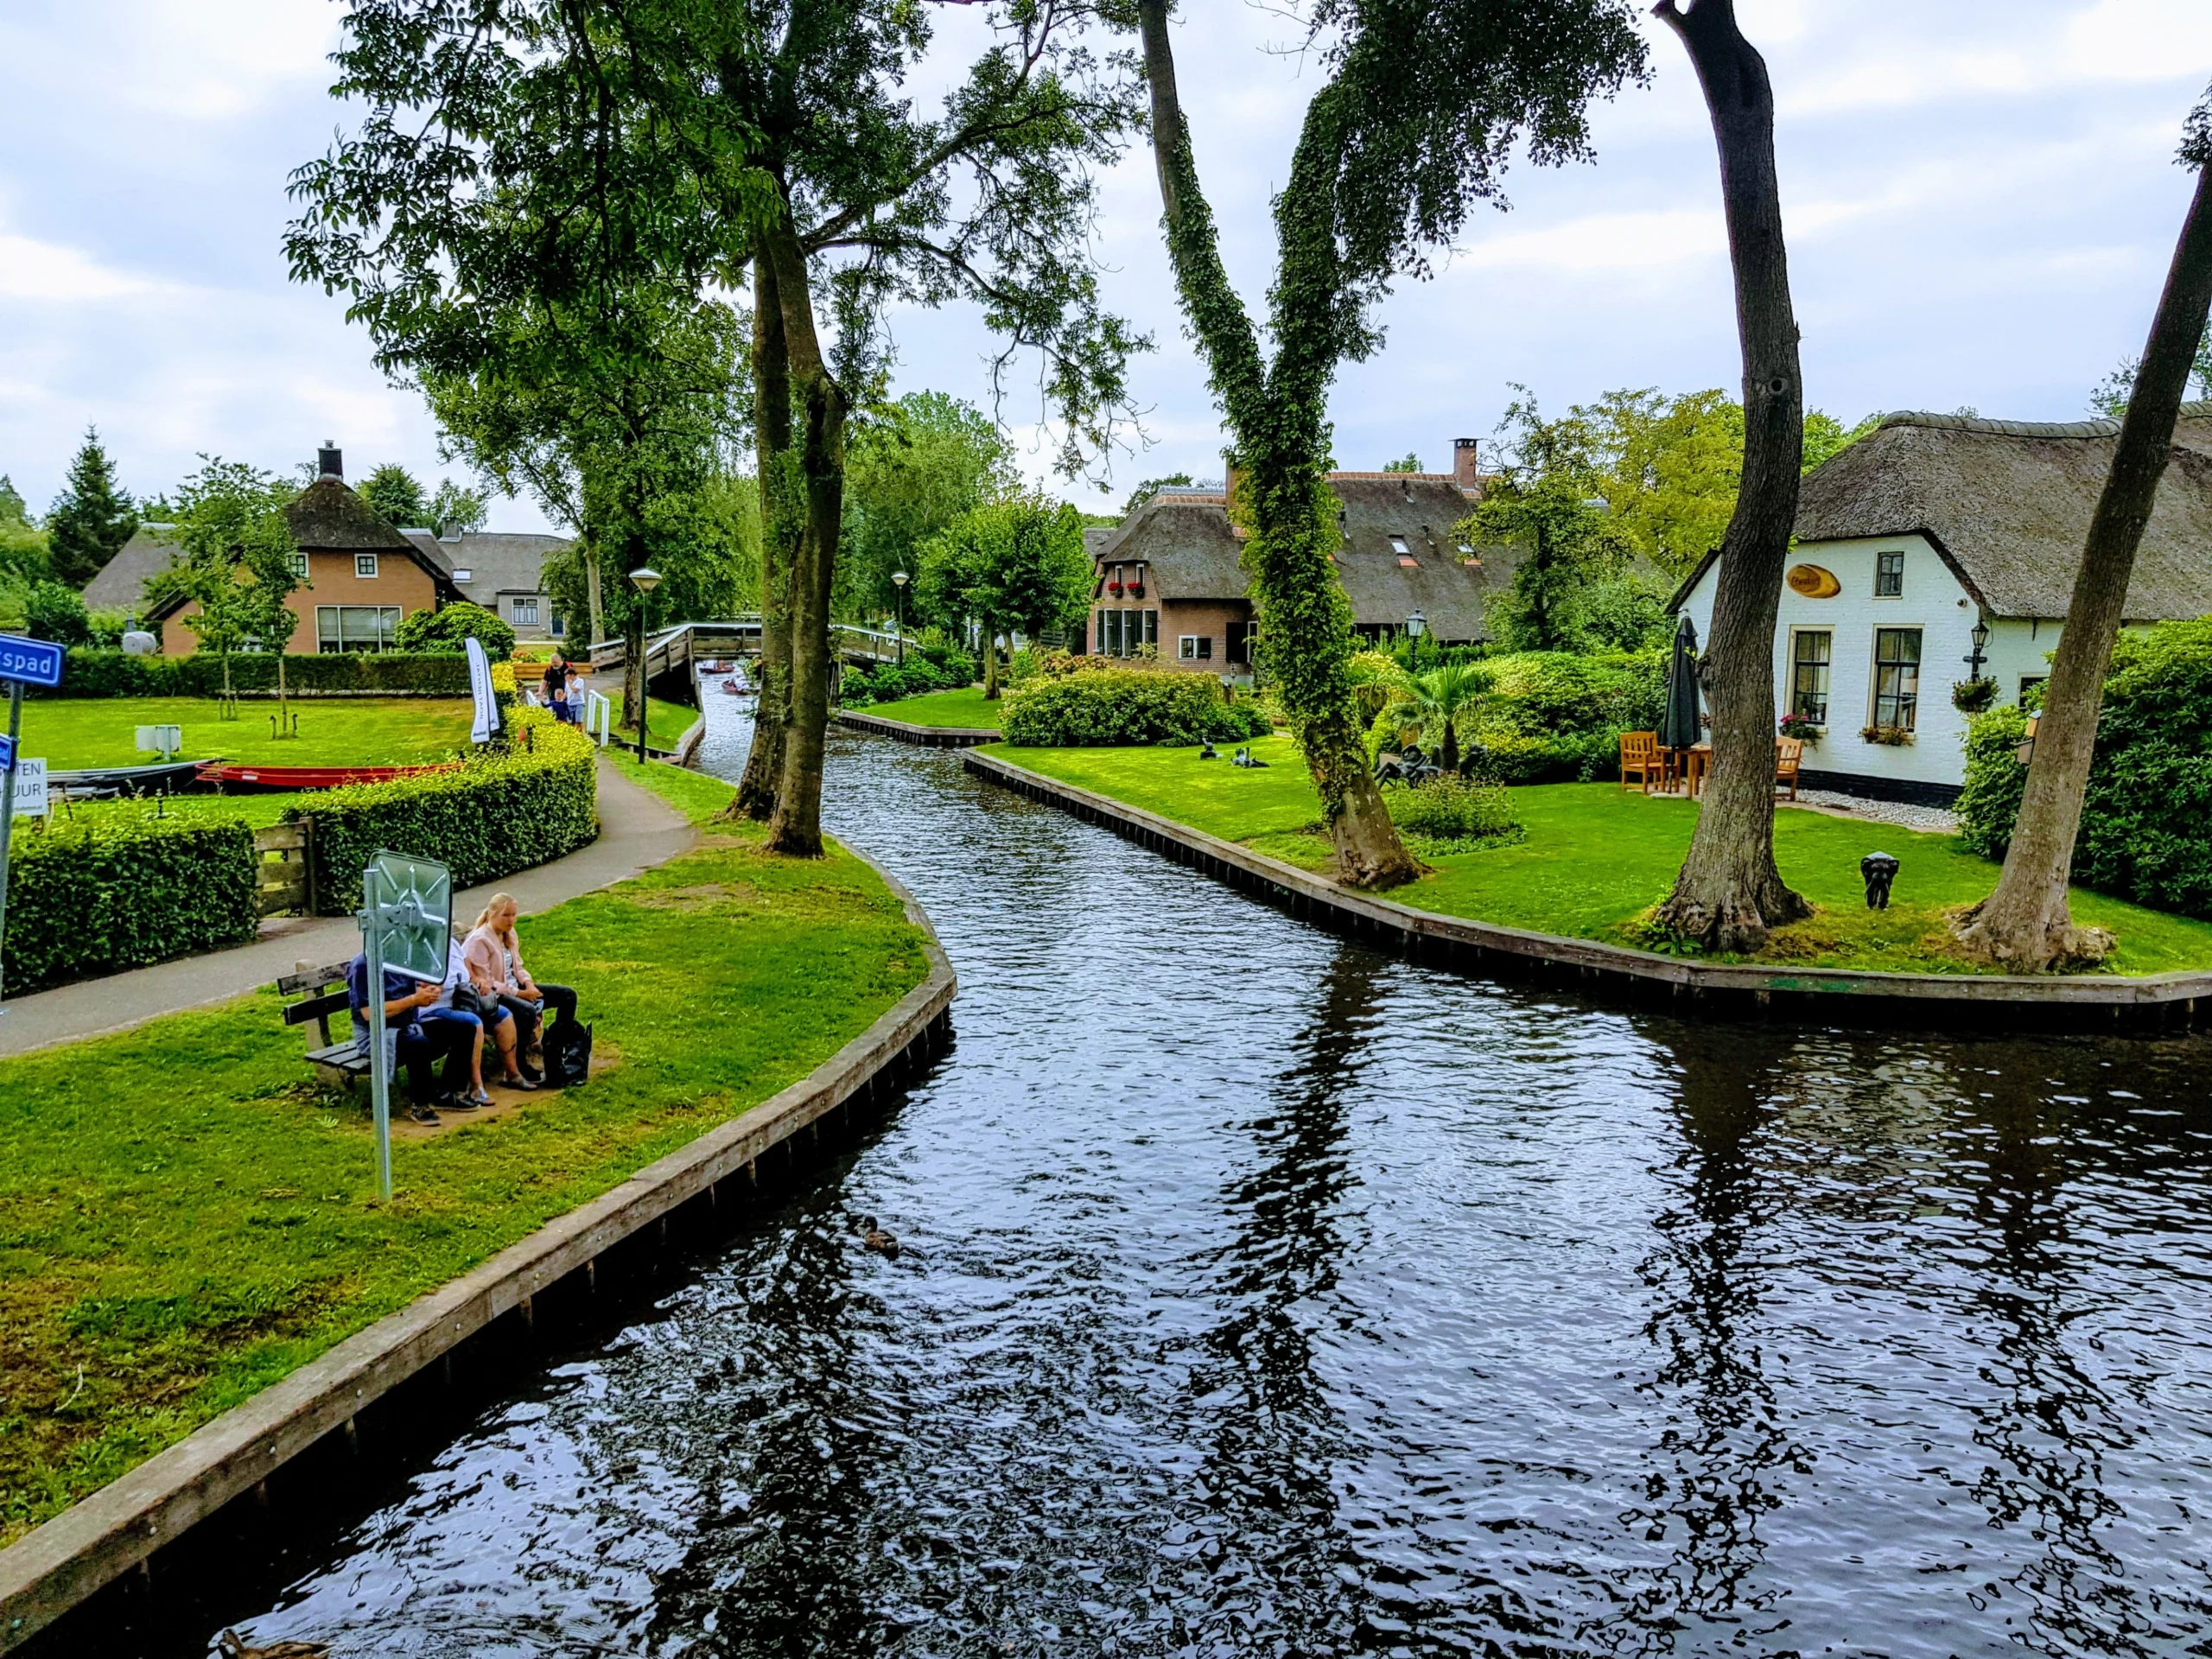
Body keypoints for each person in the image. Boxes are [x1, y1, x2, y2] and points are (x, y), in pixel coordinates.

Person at [346, 950, 474, 1123]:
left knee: (464, 1028)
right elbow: (370, 1013)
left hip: (407, 1026)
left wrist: (427, 992)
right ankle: (421, 1104)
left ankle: (448, 1092)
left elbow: (409, 989)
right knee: (418, 1043)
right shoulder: (363, 965)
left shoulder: (401, 957)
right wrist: (414, 1000)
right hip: (376, 1035)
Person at [463, 892, 578, 1077]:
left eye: (514, 915)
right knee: (527, 1011)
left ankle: (555, 1049)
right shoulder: (480, 940)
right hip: (495, 995)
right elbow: (488, 983)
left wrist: (529, 984)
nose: (511, 920)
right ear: (492, 914)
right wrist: (519, 993)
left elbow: (518, 966)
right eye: (506, 915)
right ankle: (519, 1064)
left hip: (515, 987)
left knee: (568, 995)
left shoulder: (510, 934)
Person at [423, 933, 534, 1103]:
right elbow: (415, 985)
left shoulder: (451, 943)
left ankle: (512, 1073)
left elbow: (467, 971)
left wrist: (478, 981)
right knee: (474, 1023)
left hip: (462, 999)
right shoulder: (419, 950)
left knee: (503, 1015)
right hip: (434, 1007)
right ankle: (476, 1086)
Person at [543, 652, 572, 721]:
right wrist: (541, 692)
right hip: (553, 694)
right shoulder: (550, 669)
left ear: (560, 660)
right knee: (554, 709)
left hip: (566, 693)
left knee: (566, 708)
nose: (554, 664)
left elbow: (573, 678)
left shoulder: (568, 666)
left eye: (555, 662)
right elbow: (545, 681)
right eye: (552, 662)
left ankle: (568, 721)